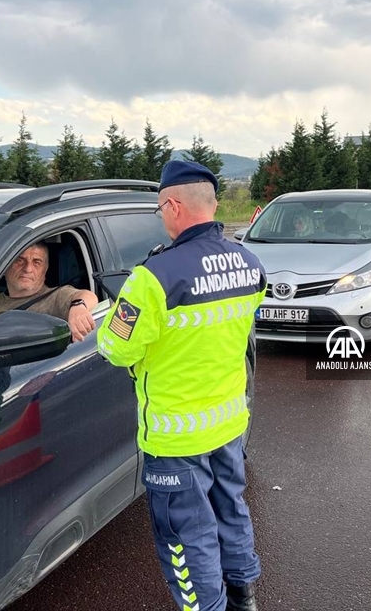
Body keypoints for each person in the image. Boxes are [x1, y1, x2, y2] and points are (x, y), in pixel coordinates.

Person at [97, 160, 266, 611]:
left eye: (159, 209)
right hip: (228, 420)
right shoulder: (249, 264)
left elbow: (116, 350)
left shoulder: (152, 278)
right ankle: (244, 595)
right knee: (231, 507)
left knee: (186, 536)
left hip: (176, 435)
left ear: (173, 205)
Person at [0, 242, 98, 342]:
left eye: (36, 262)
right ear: (5, 268)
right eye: (20, 260)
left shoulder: (56, 296)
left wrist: (78, 306)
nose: (27, 269)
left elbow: (89, 296)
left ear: (45, 269)